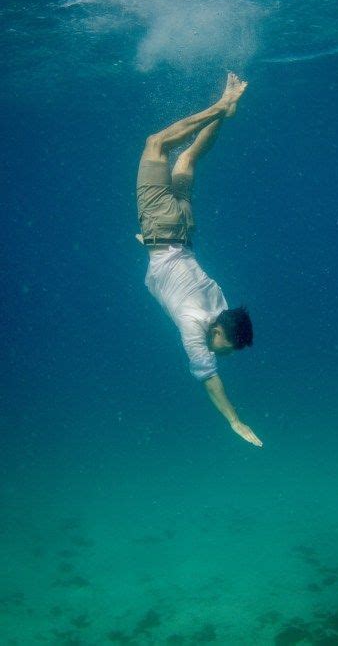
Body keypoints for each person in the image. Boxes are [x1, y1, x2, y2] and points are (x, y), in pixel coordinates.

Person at [136, 72, 262, 447]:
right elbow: (209, 379)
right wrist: (234, 420)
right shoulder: (196, 331)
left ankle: (225, 112)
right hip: (163, 230)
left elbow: (180, 278)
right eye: (228, 349)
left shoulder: (220, 307)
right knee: (156, 143)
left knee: (187, 157)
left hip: (184, 229)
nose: (223, 356)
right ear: (219, 332)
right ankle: (221, 106)